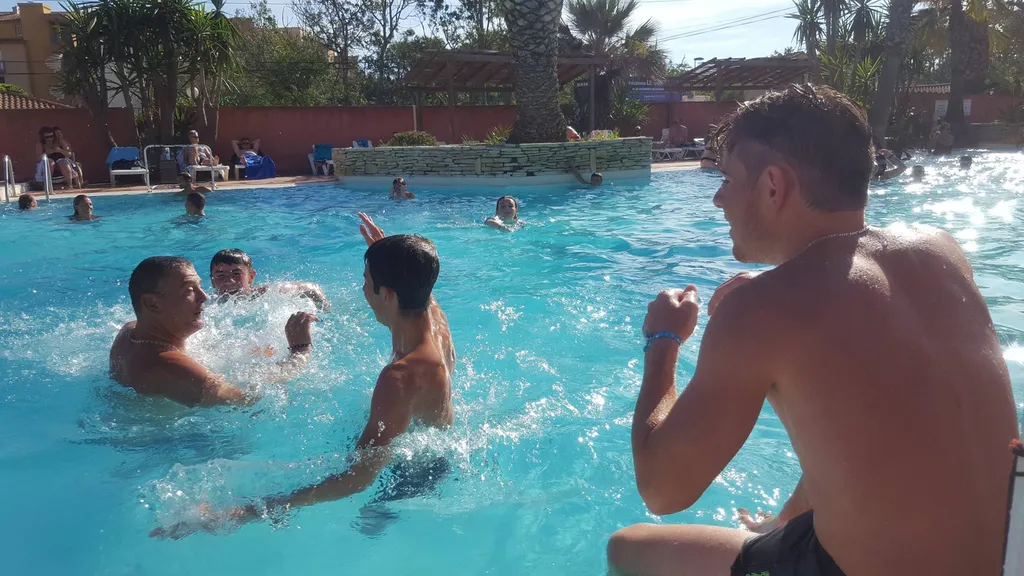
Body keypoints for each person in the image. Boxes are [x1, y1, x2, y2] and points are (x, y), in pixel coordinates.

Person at [606, 84, 1018, 576]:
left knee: (627, 548)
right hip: (1012, 554)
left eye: (728, 179)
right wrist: (782, 520)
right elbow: (871, 424)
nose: (718, 199)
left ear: (773, 187)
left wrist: (663, 341)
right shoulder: (940, 251)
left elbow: (662, 490)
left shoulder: (764, 309)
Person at [150, 214, 455, 538]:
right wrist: (386, 251)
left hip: (413, 476)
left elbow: (357, 477)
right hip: (427, 442)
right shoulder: (433, 324)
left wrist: (246, 510)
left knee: (367, 529)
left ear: (389, 295)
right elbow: (420, 281)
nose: (362, 288)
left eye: (366, 281)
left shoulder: (401, 376)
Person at [109, 256, 318, 407]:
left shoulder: (129, 331)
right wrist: (300, 349)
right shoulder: (168, 365)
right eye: (189, 290)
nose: (205, 297)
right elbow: (246, 400)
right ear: (152, 304)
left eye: (201, 287)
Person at [209, 248, 331, 312]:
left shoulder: (265, 294)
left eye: (236, 273)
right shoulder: (206, 303)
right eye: (220, 275)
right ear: (212, 280)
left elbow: (313, 288)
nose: (229, 280)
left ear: (251, 277)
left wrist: (326, 313)